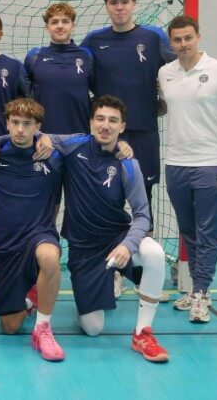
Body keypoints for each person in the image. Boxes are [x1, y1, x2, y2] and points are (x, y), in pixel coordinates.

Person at [81, 0, 174, 299]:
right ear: (107, 6)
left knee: (142, 201)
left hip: (143, 131)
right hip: (106, 133)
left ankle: (144, 275)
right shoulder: (94, 41)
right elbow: (80, 80)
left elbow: (178, 70)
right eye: (113, 2)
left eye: (124, 2)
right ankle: (113, 272)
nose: (119, 7)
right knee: (106, 200)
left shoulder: (154, 38)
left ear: (133, 4)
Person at [60, 96, 169, 363]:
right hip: (85, 249)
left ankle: (142, 333)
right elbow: (34, 134)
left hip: (117, 238)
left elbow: (142, 215)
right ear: (91, 122)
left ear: (122, 127)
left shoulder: (128, 164)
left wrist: (127, 245)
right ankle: (97, 287)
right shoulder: (73, 146)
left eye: (112, 120)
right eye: (100, 119)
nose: (105, 125)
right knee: (93, 328)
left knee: (154, 254)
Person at [158, 15, 217, 323]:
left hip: (211, 163)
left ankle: (202, 293)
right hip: (176, 163)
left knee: (207, 231)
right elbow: (162, 107)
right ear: (171, 43)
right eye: (177, 40)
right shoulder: (165, 73)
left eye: (188, 38)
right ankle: (195, 290)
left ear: (198, 37)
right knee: (188, 231)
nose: (183, 44)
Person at [0, 98, 66, 362]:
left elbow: (87, 139)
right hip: (7, 245)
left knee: (50, 258)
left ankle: (43, 328)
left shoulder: (53, 156)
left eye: (27, 124)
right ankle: (31, 296)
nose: (20, 129)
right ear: (6, 124)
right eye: (15, 123)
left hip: (40, 234)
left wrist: (121, 146)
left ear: (38, 127)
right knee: (10, 327)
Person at [25, 2, 94, 134]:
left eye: (65, 21)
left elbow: (98, 92)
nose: (60, 26)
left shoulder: (87, 56)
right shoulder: (34, 57)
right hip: (43, 137)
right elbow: (25, 96)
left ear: (73, 26)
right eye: (54, 22)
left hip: (79, 135)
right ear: (47, 27)